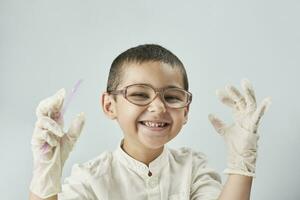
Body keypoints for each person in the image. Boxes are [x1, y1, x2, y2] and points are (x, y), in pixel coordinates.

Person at [29, 44, 271, 200]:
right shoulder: (91, 180)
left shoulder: (193, 169)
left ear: (186, 111)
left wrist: (242, 164)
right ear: (109, 105)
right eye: (139, 94)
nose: (158, 107)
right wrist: (46, 174)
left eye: (172, 97)